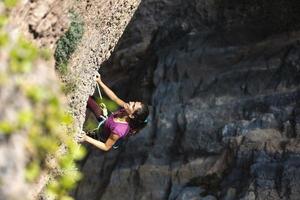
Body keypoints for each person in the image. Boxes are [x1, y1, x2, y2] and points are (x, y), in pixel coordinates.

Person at [79, 73, 149, 151]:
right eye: (134, 102)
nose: (131, 102)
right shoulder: (126, 108)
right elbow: (115, 98)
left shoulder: (119, 129)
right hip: (106, 118)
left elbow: (106, 147)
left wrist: (86, 138)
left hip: (100, 135)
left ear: (132, 116)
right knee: (87, 99)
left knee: (77, 136)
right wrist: (99, 82)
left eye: (133, 106)